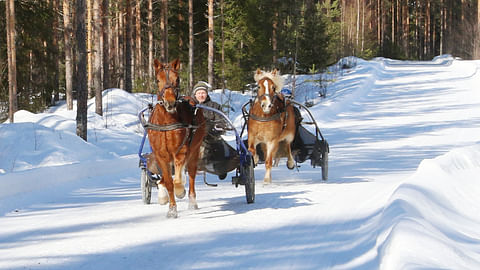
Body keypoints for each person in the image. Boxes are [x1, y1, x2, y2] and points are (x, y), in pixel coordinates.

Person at [191, 81, 237, 179]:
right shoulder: (190, 107)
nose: (201, 95)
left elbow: (221, 120)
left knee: (222, 148)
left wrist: (218, 127)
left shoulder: (214, 106)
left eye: (203, 93)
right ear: (195, 94)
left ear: (206, 94)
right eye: (199, 93)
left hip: (211, 136)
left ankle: (222, 166)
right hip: (193, 137)